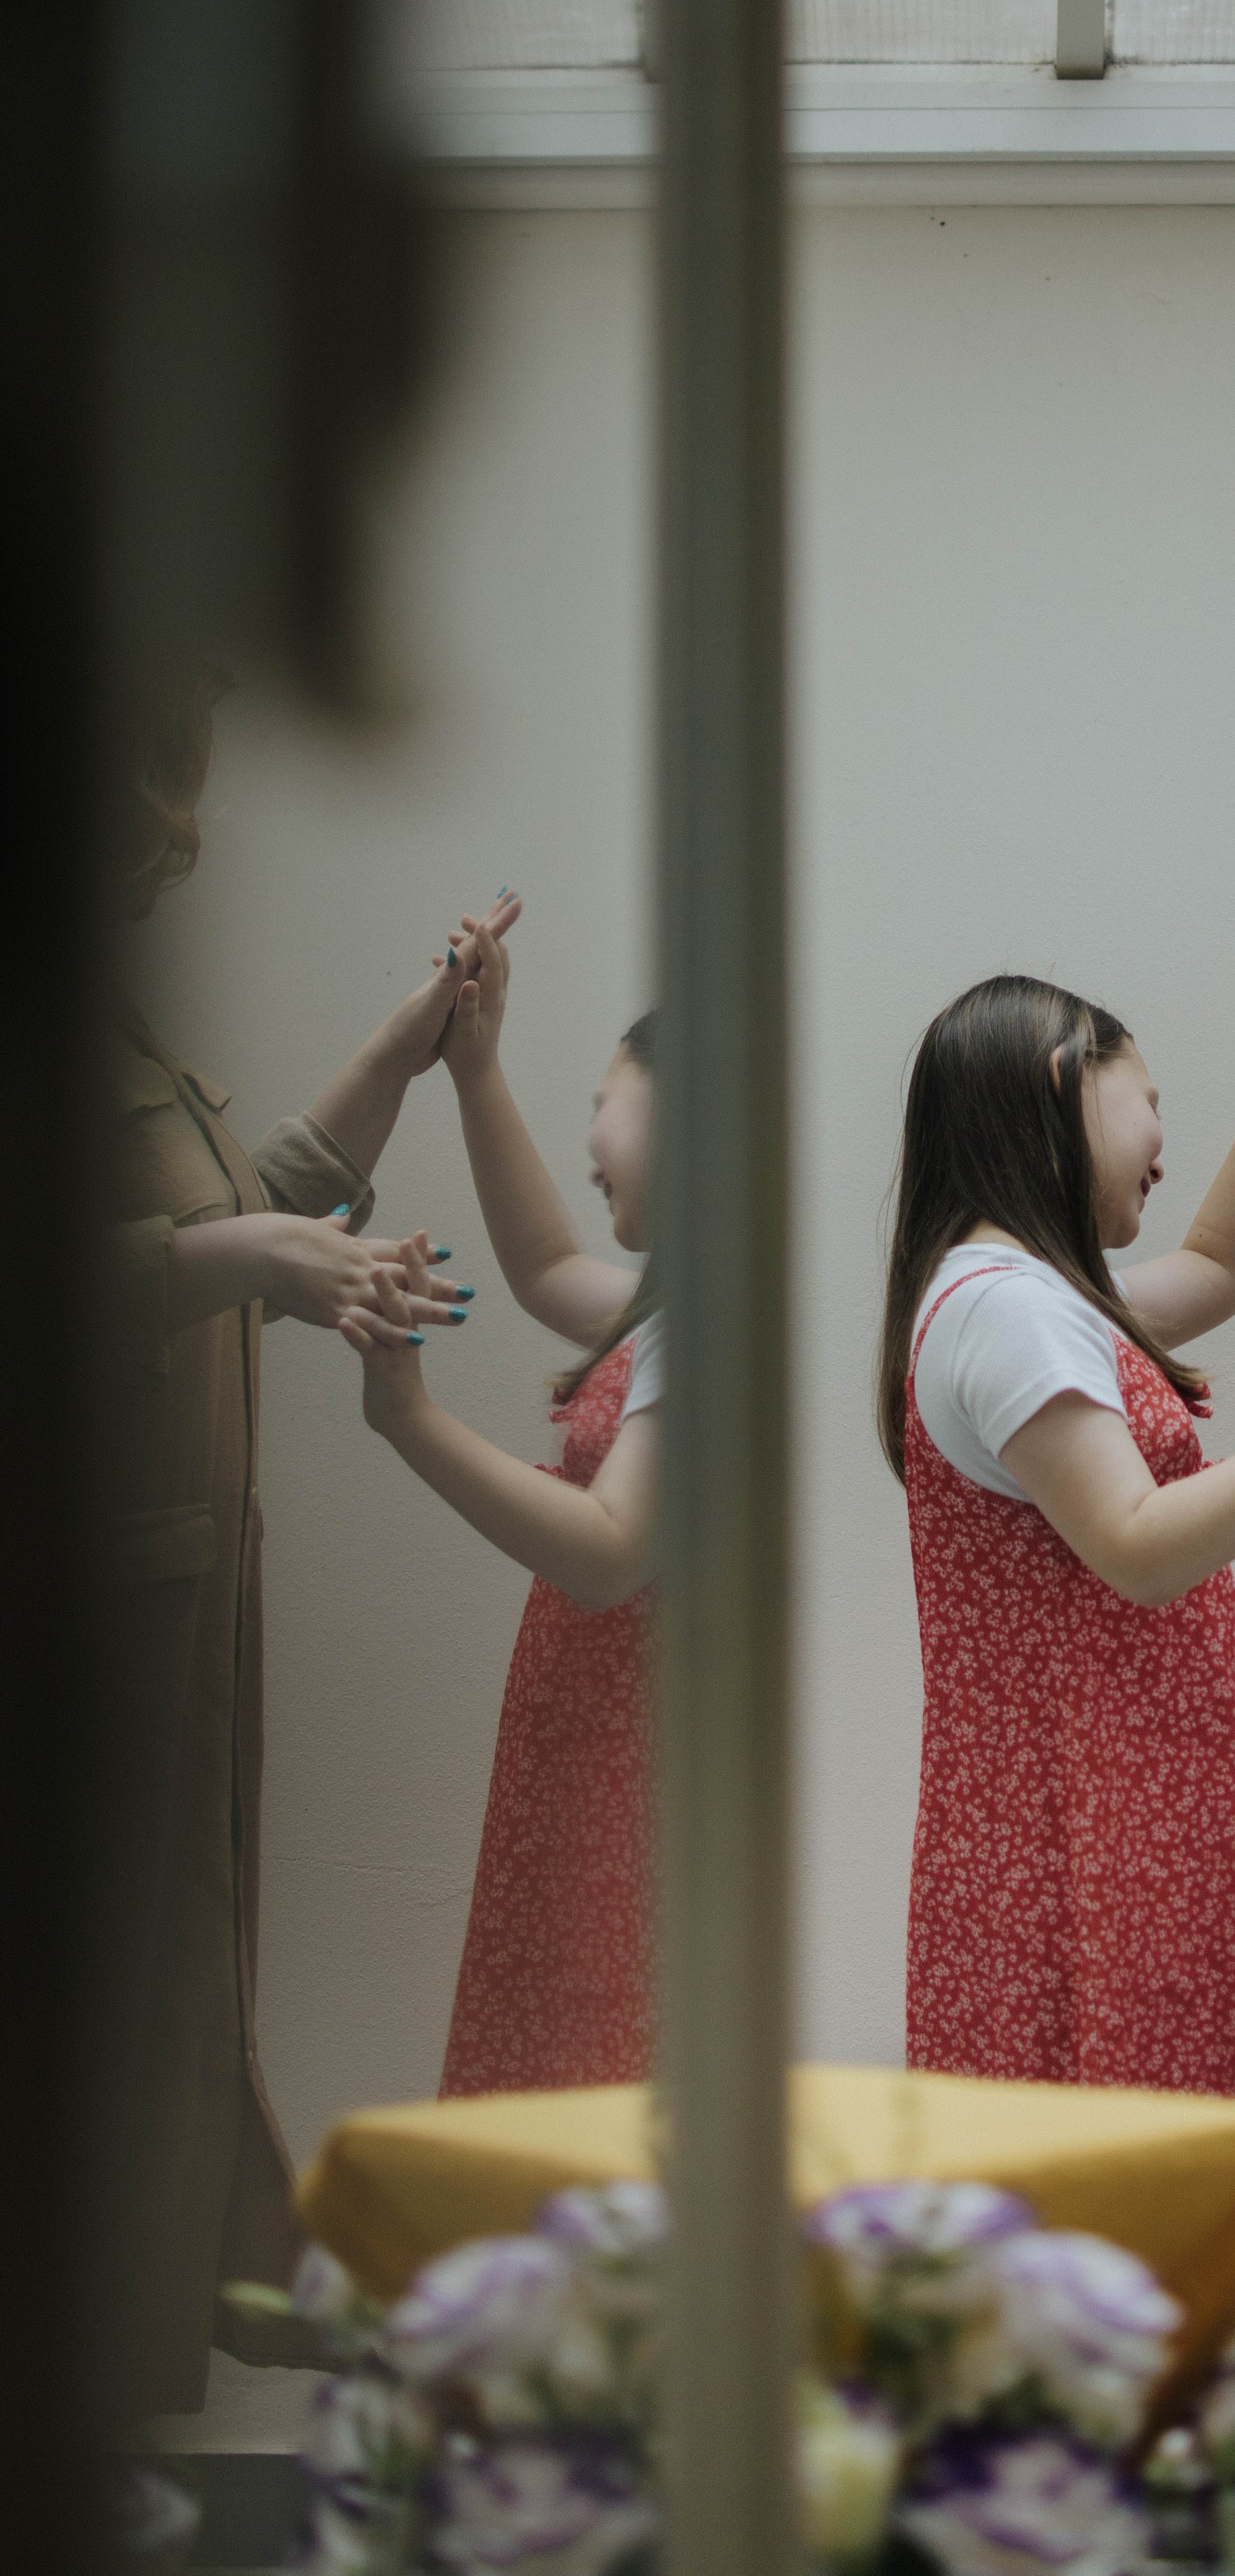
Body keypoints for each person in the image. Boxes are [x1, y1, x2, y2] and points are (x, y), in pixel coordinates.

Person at [877, 917, 1235, 2218]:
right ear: (1065, 1082)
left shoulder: (1026, 1293)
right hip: (1094, 1840)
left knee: (1129, 2218)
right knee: (1125, 2218)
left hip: (1114, 1823)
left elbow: (1221, 1266)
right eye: (1151, 1099)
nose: (1165, 1138)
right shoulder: (1007, 1310)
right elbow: (1137, 1549)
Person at [103, 665, 493, 2413]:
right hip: (94, 1606)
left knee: (169, 1984)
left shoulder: (114, 1022)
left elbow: (246, 1206)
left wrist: (411, 1048)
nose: (178, 848)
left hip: (176, 1587)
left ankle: (113, 2404)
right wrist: (251, 1259)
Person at [337, 908, 661, 2093]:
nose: (591, 1133)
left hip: (630, 1768)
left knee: (590, 2066)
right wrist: (475, 1067)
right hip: (601, 1739)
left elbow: (610, 1553)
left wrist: (409, 1419)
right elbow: (541, 1264)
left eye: (605, 1102)